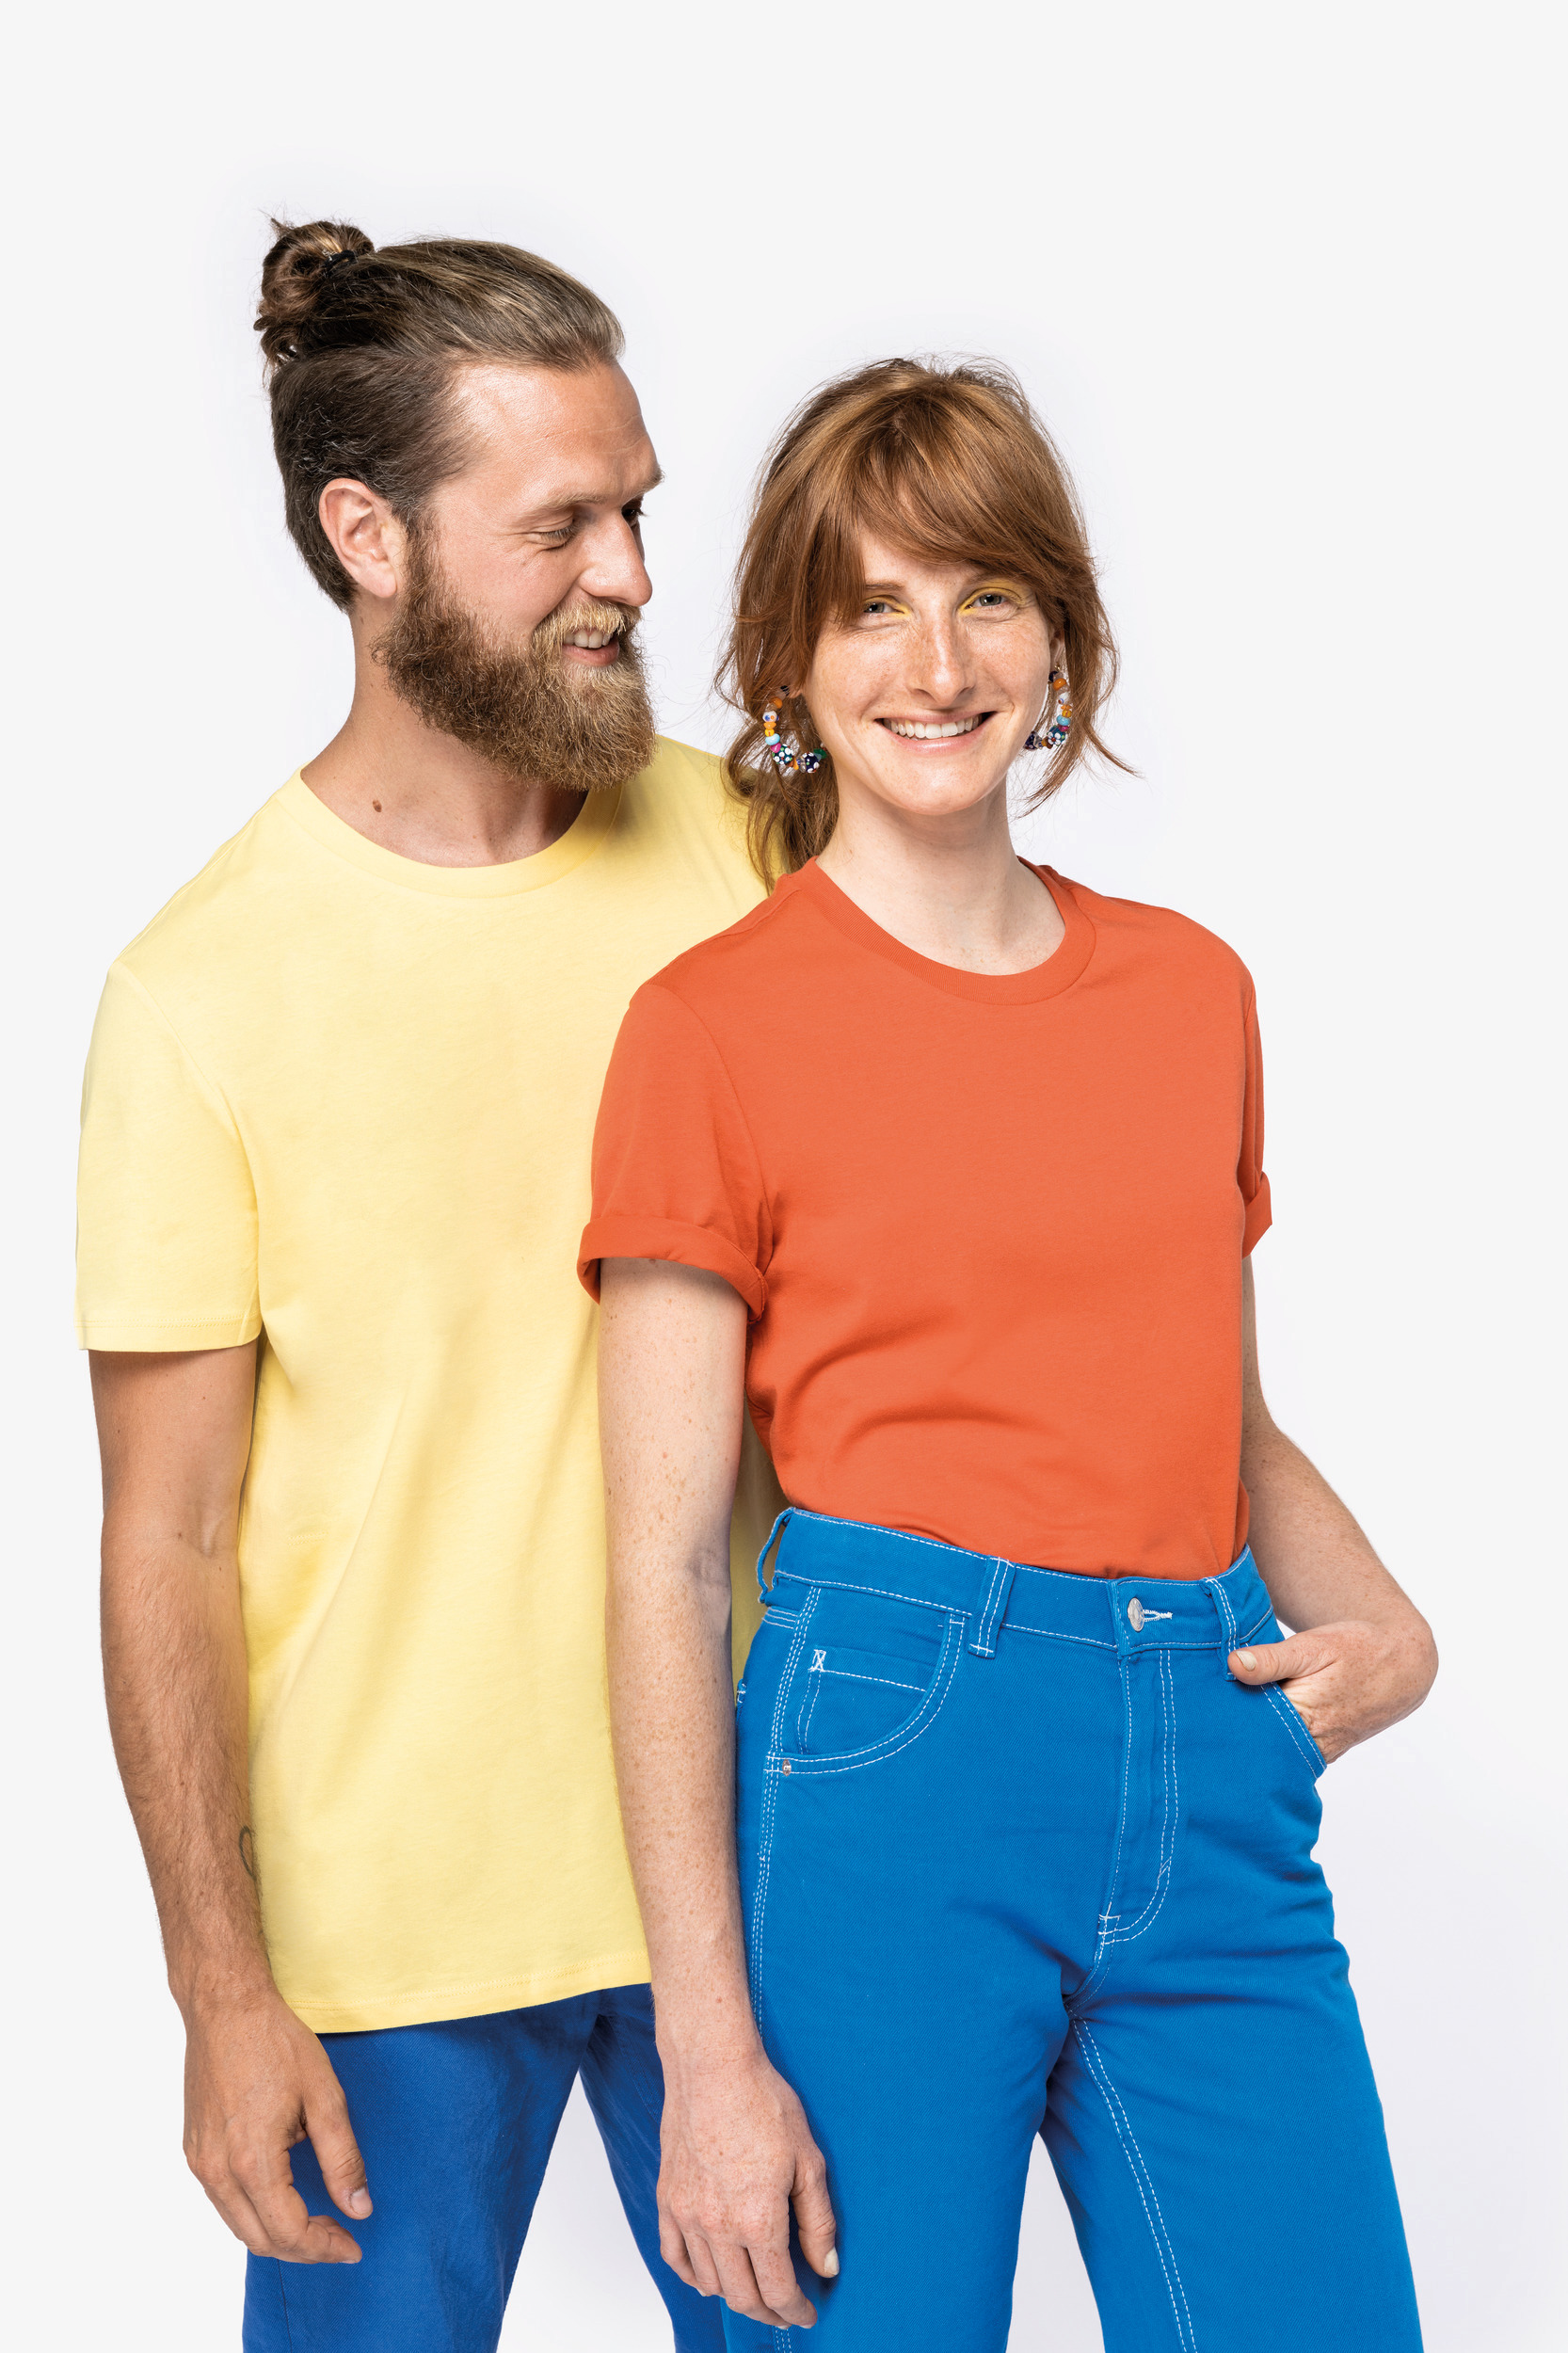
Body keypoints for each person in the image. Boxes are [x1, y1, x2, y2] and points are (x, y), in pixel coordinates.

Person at [581, 358, 1437, 2351]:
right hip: (888, 1762)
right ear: (788, 663)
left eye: (984, 595)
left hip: (1206, 1755)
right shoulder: (709, 1030)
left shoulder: (1188, 991)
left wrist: (1384, 1625)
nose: (935, 662)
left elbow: (1210, 1410)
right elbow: (658, 1560)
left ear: (1059, 636)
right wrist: (706, 2052)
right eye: (869, 607)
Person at [76, 217, 776, 2353]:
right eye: (559, 523)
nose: (631, 575)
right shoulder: (197, 994)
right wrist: (219, 1987)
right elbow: (166, 1536)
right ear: (365, 536)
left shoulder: (756, 857)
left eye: (636, 508)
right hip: (385, 1941)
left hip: (760, 1877)